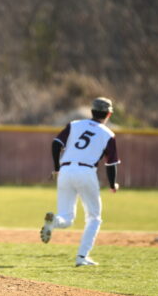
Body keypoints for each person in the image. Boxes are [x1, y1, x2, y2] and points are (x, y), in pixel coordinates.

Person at [40, 97, 120, 266]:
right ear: (109, 114)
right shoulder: (108, 134)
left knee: (66, 217)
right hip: (86, 171)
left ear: (92, 111)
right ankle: (82, 257)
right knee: (94, 217)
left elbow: (56, 144)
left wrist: (56, 167)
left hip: (66, 170)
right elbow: (111, 163)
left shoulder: (74, 124)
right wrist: (113, 184)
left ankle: (54, 221)